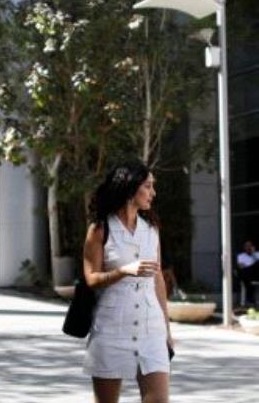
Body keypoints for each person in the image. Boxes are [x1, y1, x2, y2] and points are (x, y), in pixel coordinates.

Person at [82, 161, 171, 403]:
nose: (153, 193)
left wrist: (167, 329)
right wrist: (124, 271)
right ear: (131, 189)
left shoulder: (151, 229)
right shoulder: (100, 229)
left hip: (151, 327)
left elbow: (158, 279)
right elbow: (91, 279)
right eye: (148, 186)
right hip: (111, 329)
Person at [237, 240, 259, 305]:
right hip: (247, 275)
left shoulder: (257, 254)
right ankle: (250, 300)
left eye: (250, 246)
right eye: (247, 246)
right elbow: (241, 267)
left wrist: (253, 254)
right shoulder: (241, 256)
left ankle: (251, 300)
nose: (248, 247)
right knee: (245, 271)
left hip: (257, 274)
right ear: (244, 247)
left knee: (257, 264)